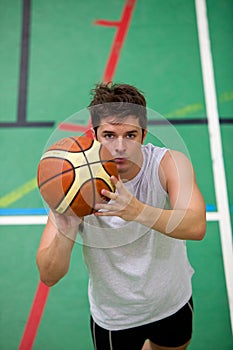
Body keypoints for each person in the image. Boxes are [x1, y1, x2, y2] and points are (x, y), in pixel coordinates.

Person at [36, 82, 206, 350]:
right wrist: (66, 227)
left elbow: (196, 226)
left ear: (144, 135)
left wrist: (138, 211)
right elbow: (49, 275)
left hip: (172, 301)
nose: (119, 147)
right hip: (116, 318)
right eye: (109, 135)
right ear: (93, 135)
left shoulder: (168, 164)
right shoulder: (72, 186)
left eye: (130, 135)